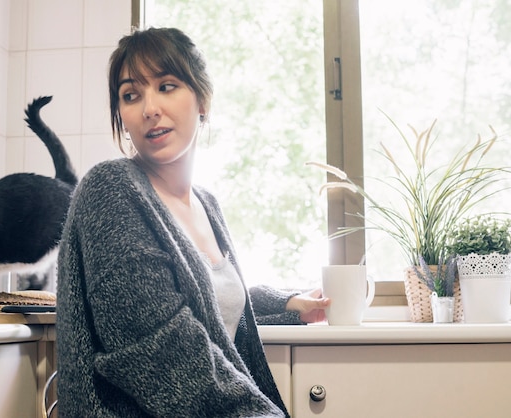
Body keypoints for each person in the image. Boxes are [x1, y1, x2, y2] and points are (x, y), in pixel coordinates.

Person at [56, 27, 330, 418]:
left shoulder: (207, 204)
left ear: (202, 99)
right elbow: (160, 351)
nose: (149, 108)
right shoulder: (111, 189)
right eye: (131, 95)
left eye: (167, 86)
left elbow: (205, 302)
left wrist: (287, 303)